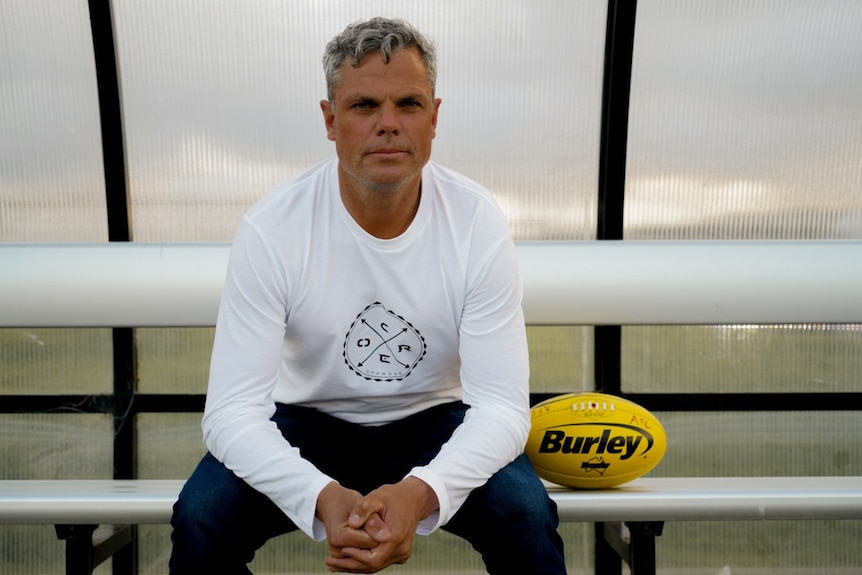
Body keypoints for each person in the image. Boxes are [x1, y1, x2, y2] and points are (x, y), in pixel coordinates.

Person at [169, 17, 567, 575]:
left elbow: (501, 408)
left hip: (436, 419)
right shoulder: (273, 228)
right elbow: (232, 413)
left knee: (527, 514)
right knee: (201, 518)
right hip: (306, 420)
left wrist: (423, 490)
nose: (388, 125)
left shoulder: (477, 222)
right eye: (363, 107)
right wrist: (320, 496)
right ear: (330, 120)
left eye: (408, 103)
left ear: (434, 117)